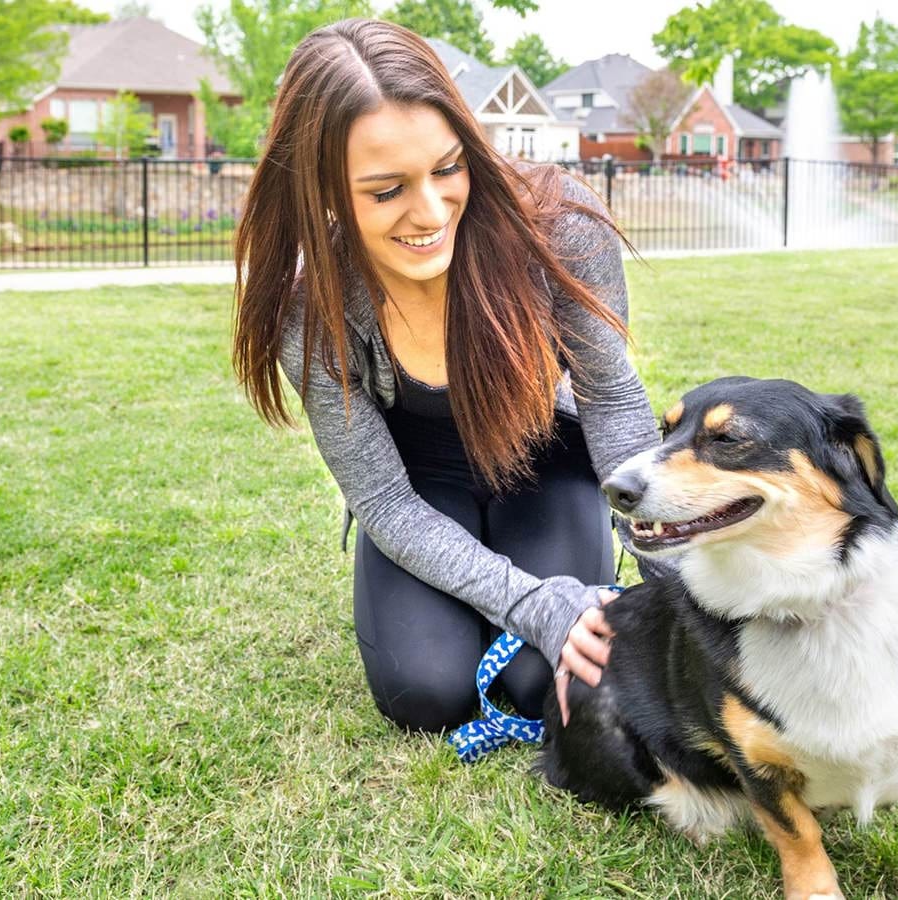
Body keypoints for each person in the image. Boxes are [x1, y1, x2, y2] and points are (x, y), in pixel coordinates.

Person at [230, 19, 661, 733]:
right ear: (326, 192)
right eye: (385, 189)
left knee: (543, 684)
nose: (430, 212)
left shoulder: (559, 228)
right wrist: (531, 603)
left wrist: (682, 579)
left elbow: (612, 398)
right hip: (418, 482)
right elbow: (386, 503)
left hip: (543, 456)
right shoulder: (309, 306)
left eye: (447, 168)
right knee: (426, 693)